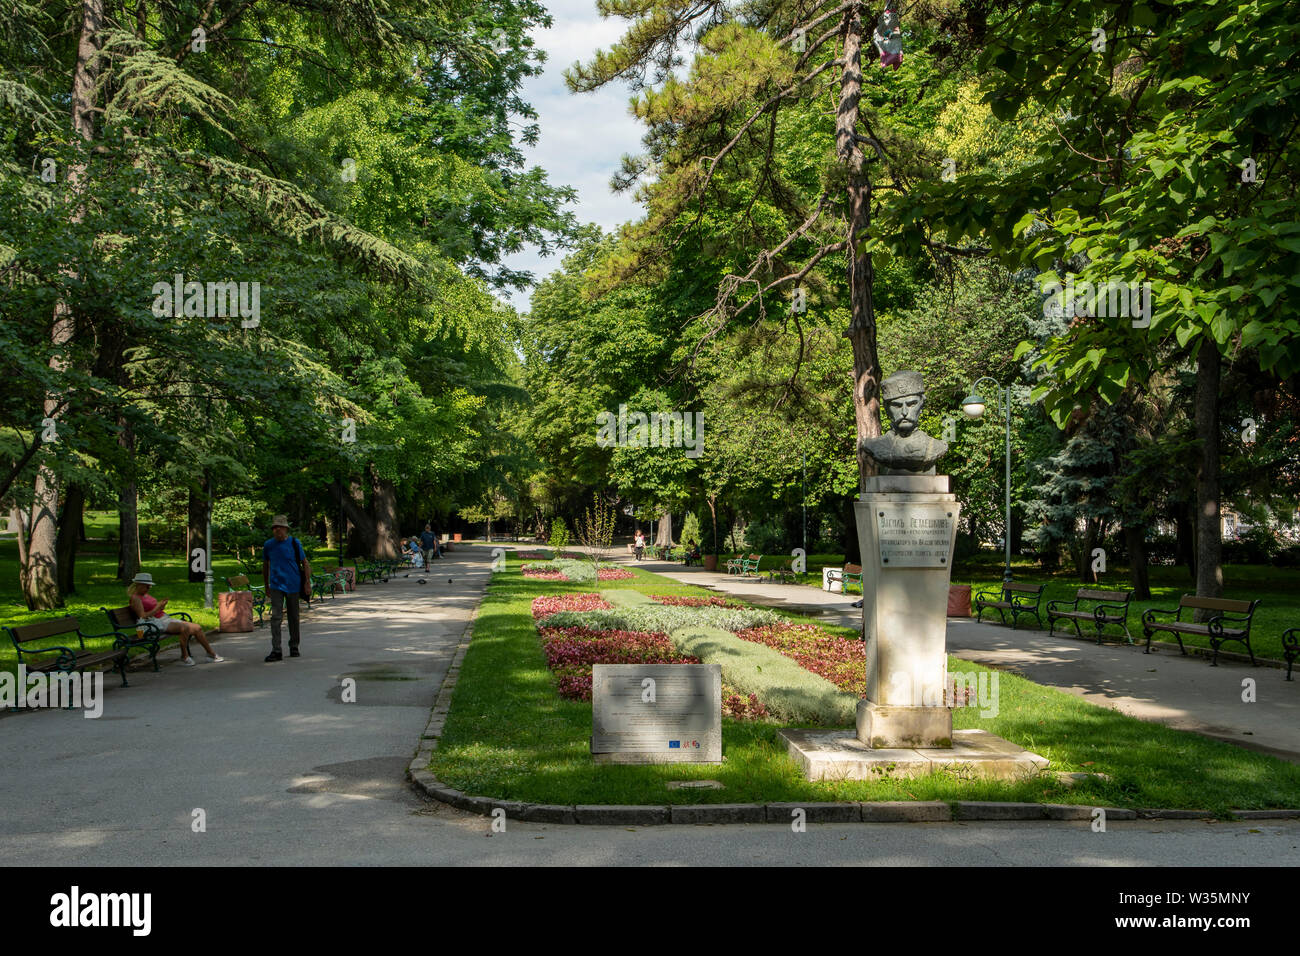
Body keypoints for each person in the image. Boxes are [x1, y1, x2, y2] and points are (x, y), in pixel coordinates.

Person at [127, 572, 223, 666]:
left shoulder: (145, 595)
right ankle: (184, 656)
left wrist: (161, 606)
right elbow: (143, 616)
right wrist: (158, 607)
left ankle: (210, 654)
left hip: (164, 618)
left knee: (197, 628)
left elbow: (154, 609)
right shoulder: (135, 598)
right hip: (154, 623)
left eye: (150, 586)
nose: (149, 588)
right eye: (147, 586)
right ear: (138, 585)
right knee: (183, 628)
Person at [263, 515, 310, 662]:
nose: (277, 530)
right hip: (276, 585)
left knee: (293, 617)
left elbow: (305, 563)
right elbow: (265, 566)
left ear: (286, 529)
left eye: (279, 527)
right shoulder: (268, 545)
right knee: (276, 617)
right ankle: (276, 650)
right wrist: (266, 586)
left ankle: (294, 646)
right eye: (274, 528)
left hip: (293, 585)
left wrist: (307, 583)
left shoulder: (295, 543)